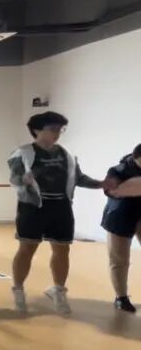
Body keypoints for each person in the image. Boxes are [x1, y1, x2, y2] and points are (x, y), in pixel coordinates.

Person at [7, 112, 109, 315]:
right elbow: (14, 178)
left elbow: (79, 178)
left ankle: (58, 290)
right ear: (37, 130)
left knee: (62, 249)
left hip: (61, 206)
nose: (57, 133)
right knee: (27, 248)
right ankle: (18, 290)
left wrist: (101, 184)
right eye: (53, 129)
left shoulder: (67, 155)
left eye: (60, 129)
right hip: (33, 207)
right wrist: (23, 180)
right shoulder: (23, 152)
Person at [102, 144, 141, 313]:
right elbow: (109, 190)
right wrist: (128, 188)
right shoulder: (118, 170)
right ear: (137, 158)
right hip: (120, 217)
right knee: (119, 260)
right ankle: (121, 298)